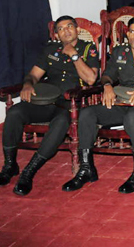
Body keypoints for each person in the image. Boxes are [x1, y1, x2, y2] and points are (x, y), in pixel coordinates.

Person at [62, 16, 134, 194]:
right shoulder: (119, 51)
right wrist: (106, 86)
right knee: (88, 113)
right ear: (128, 34)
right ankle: (86, 168)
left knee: (132, 118)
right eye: (132, 31)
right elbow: (107, 75)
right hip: (121, 101)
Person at [0, 16, 99, 196]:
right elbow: (33, 75)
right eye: (61, 28)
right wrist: (28, 84)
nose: (66, 31)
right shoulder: (50, 49)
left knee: (60, 122)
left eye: (69, 26)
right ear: (56, 35)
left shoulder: (88, 49)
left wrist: (73, 54)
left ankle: (29, 171)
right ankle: (10, 165)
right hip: (45, 100)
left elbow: (91, 79)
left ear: (77, 30)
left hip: (70, 103)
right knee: (14, 112)